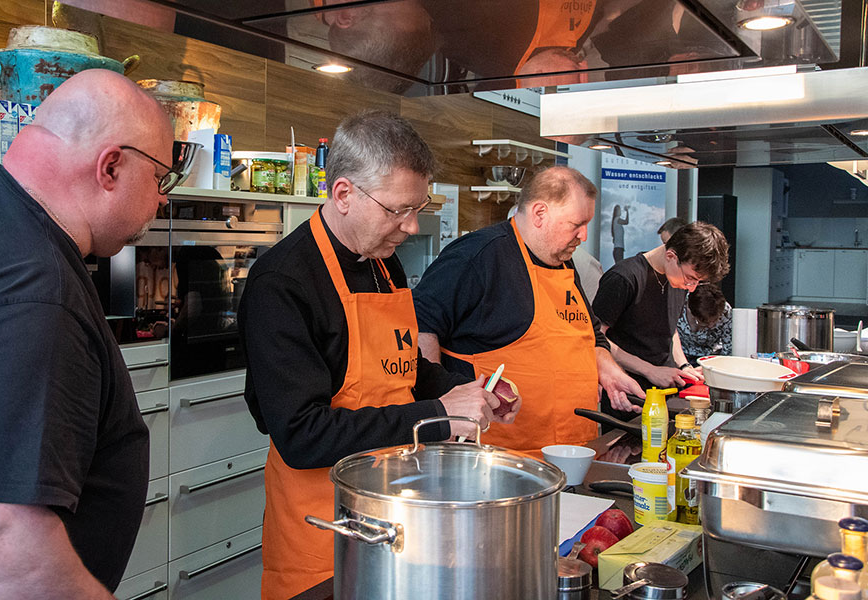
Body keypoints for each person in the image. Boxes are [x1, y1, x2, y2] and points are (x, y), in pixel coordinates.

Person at [239, 110, 517, 599]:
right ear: (344, 194)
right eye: (397, 210)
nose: (411, 227)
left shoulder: (385, 267)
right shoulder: (283, 283)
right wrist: (438, 414)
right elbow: (302, 435)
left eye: (419, 207)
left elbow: (404, 371)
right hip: (325, 533)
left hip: (398, 512)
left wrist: (467, 388)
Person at [0, 70, 188, 597]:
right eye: (160, 178)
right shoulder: (41, 293)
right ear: (111, 166)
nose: (162, 200)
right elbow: (9, 547)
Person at [414, 166, 644, 457]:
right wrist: (444, 413)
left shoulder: (563, 262)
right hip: (498, 457)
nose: (583, 235)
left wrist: (608, 370)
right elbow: (421, 325)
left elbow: (590, 334)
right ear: (539, 214)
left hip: (575, 450)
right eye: (576, 224)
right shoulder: (477, 256)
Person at [592, 221, 730, 422]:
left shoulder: (676, 278)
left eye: (698, 282)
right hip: (629, 393)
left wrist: (683, 366)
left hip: (666, 391)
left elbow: (670, 328)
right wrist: (650, 370)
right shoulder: (624, 277)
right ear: (671, 256)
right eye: (690, 278)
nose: (691, 288)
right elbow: (595, 338)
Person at [677, 283, 732, 364]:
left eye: (715, 320)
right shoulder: (678, 306)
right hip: (681, 357)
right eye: (705, 322)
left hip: (712, 357)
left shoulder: (725, 311)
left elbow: (728, 347)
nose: (711, 325)